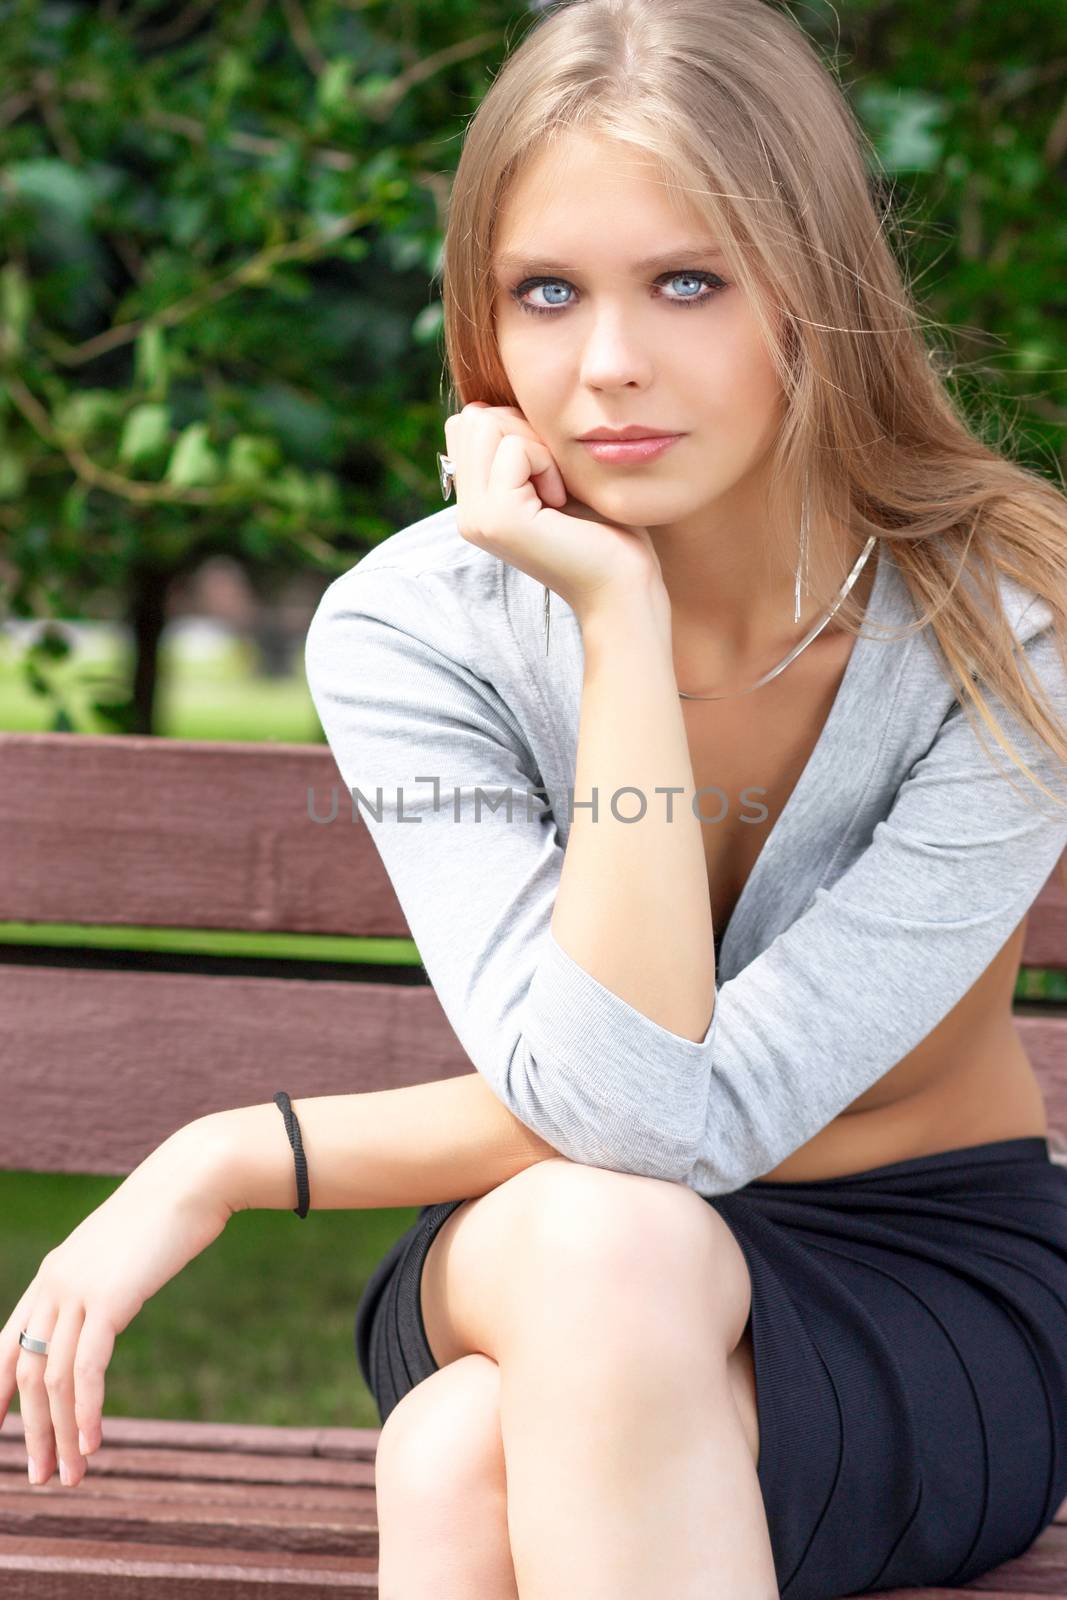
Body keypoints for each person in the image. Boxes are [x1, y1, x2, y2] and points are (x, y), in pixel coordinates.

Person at [4, 3, 1066, 1598]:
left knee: (463, 1454)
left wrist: (236, 1152)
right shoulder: (414, 628)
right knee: (598, 1240)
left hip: (920, 1280)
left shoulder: (1012, 626)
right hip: (552, 1251)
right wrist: (605, 621)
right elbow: (610, 1114)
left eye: (688, 281)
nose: (608, 364)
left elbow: (665, 1119)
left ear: (817, 293)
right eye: (546, 293)